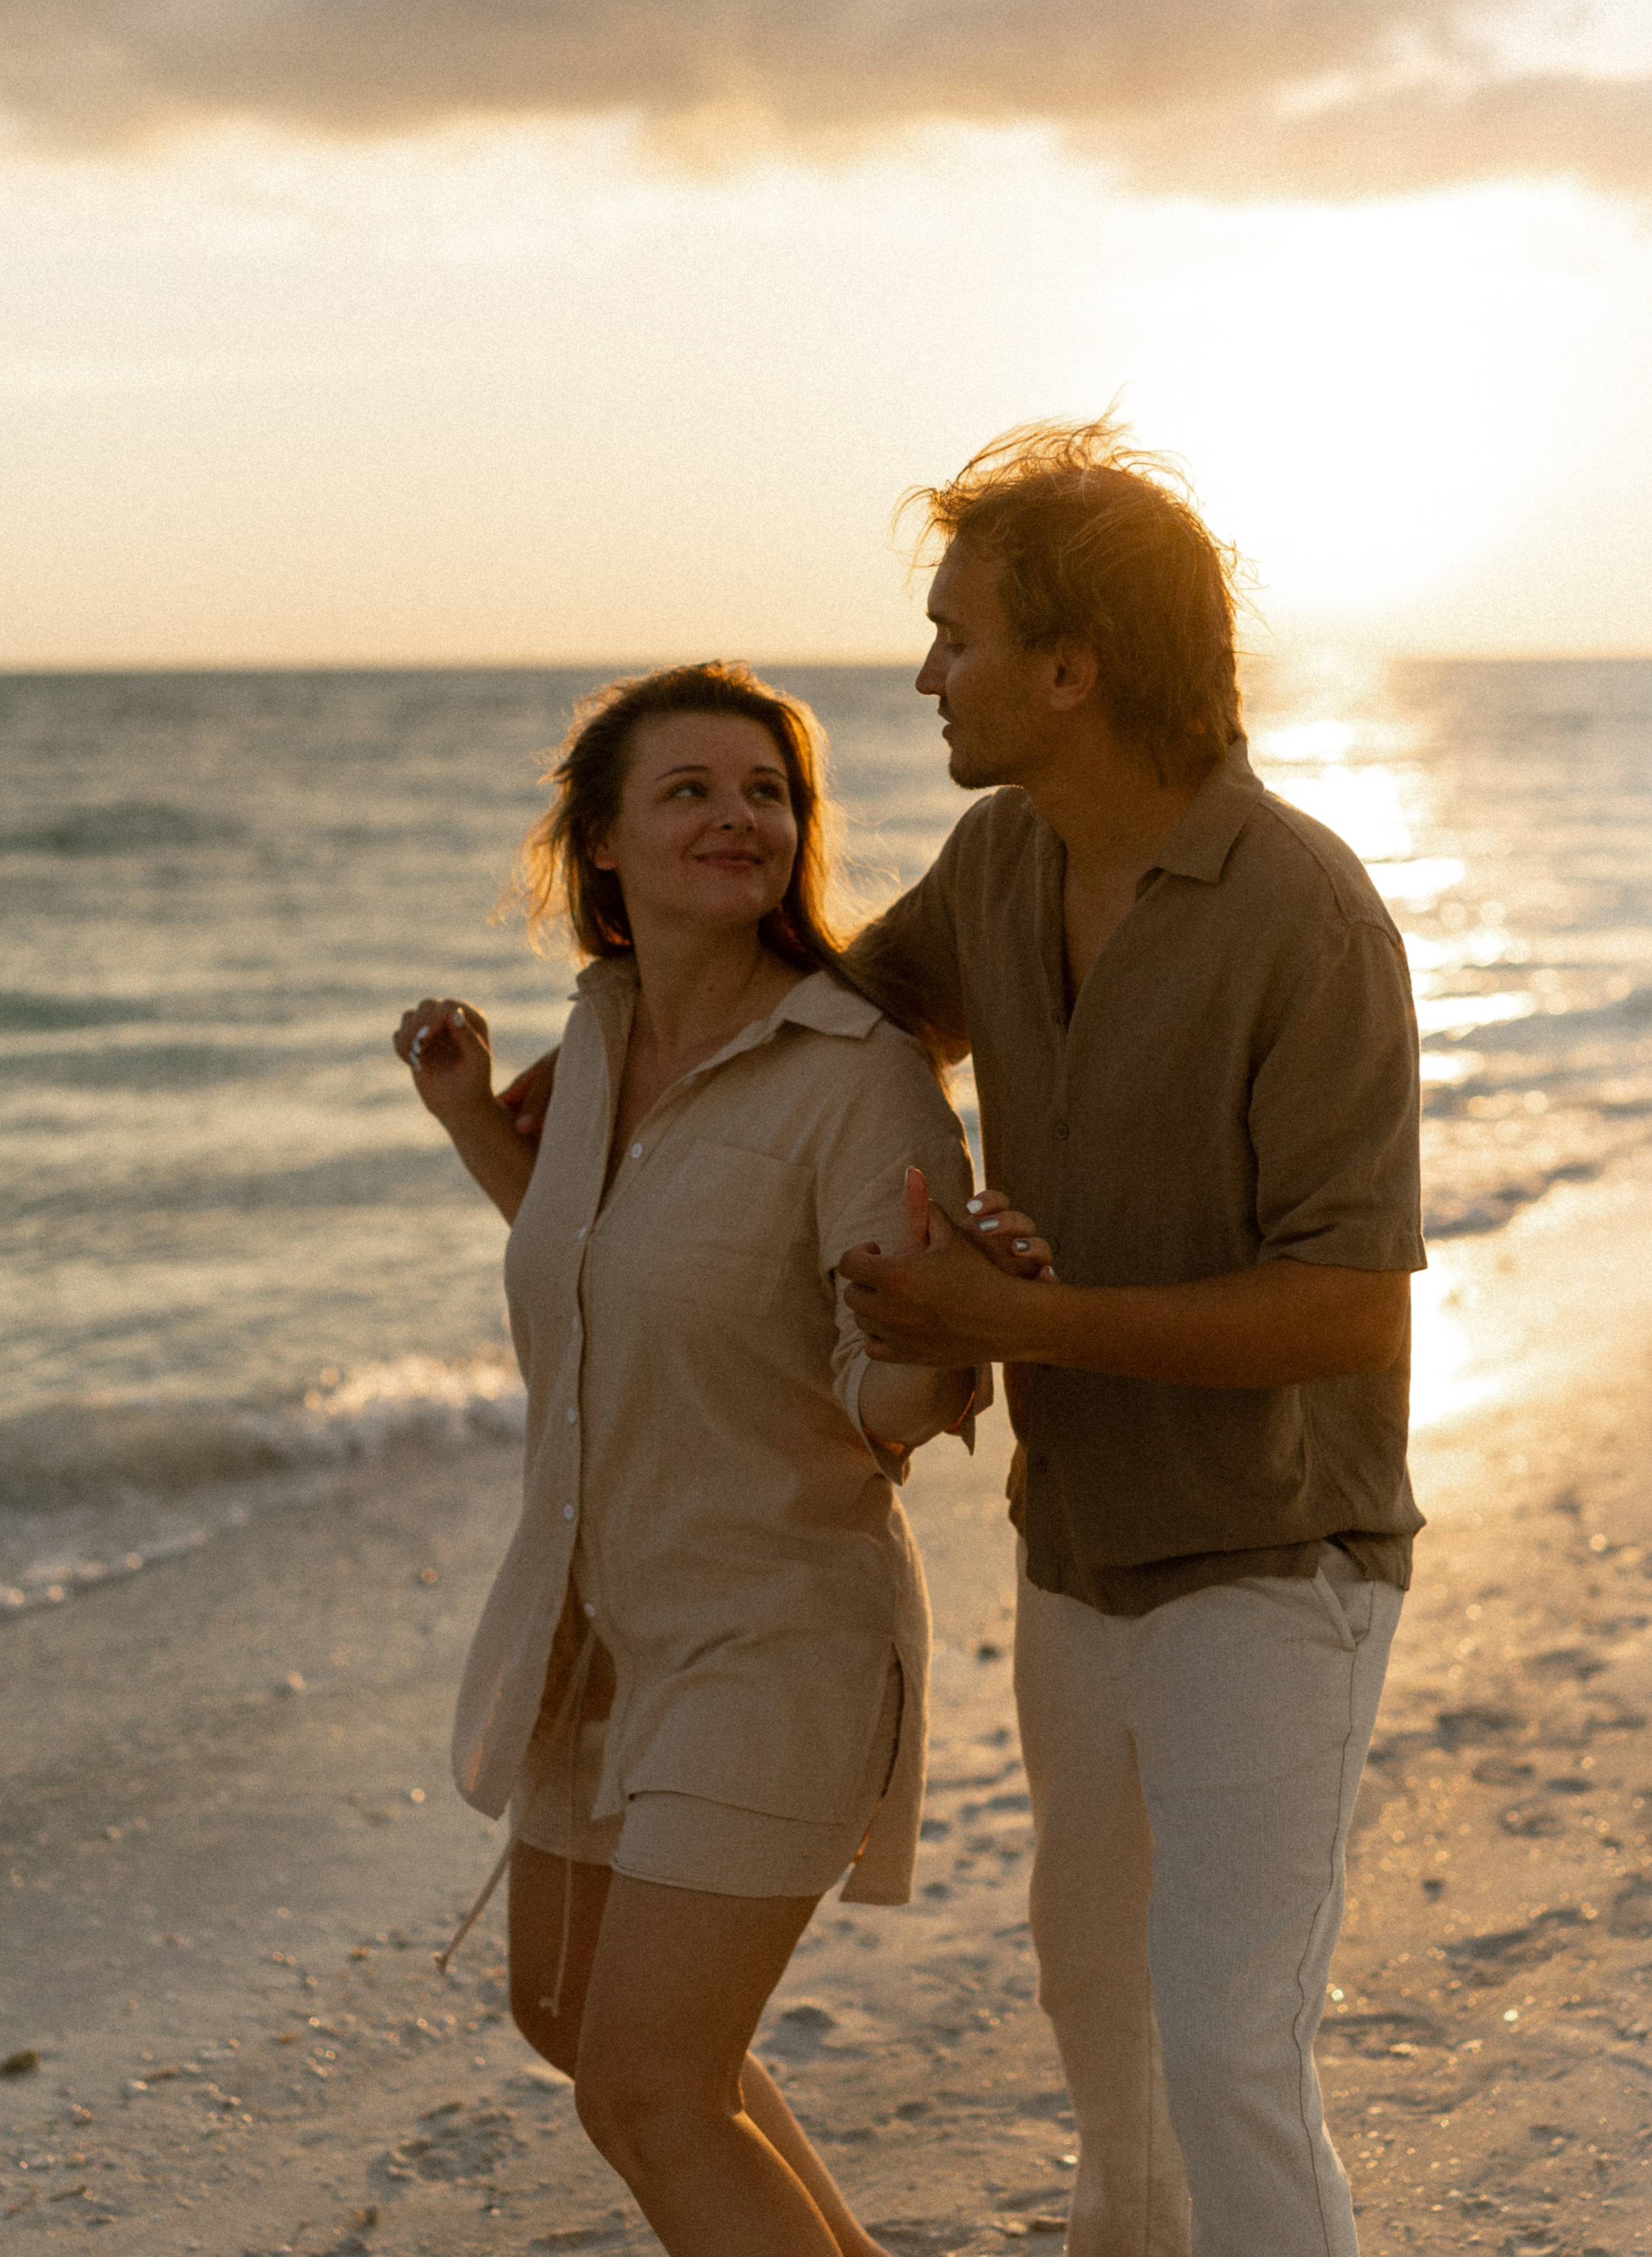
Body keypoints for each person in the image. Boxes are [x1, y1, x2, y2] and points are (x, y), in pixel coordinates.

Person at [833, 423, 1426, 2257]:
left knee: (1227, 2053)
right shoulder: (1002, 861)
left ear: (1072, 669)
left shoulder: (1306, 916)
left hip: (1274, 1569)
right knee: (1103, 2033)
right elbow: (851, 1026)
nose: (928, 673)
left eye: (959, 635)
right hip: (1076, 1559)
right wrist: (621, 1023)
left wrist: (1026, 1318)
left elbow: (1343, 1303)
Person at [393, 661, 1022, 2257]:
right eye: (689, 791)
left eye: (766, 792)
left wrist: (949, 1325)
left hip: (774, 1634)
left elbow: (884, 1404)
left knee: (653, 2095)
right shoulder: (597, 1039)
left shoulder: (852, 1071)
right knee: (568, 2016)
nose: (740, 818)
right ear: (597, 842)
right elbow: (610, 1275)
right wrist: (475, 1122)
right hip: (593, 1626)